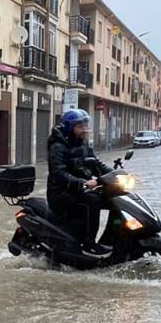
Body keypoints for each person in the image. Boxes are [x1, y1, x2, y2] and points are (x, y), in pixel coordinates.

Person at [47, 109, 114, 257]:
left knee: (113, 199)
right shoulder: (57, 146)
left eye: (85, 124)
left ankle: (111, 240)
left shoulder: (82, 143)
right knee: (93, 201)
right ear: (70, 127)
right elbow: (58, 173)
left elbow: (96, 164)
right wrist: (83, 183)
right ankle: (88, 244)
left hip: (79, 190)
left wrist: (114, 174)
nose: (84, 128)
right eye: (80, 125)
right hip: (60, 194)